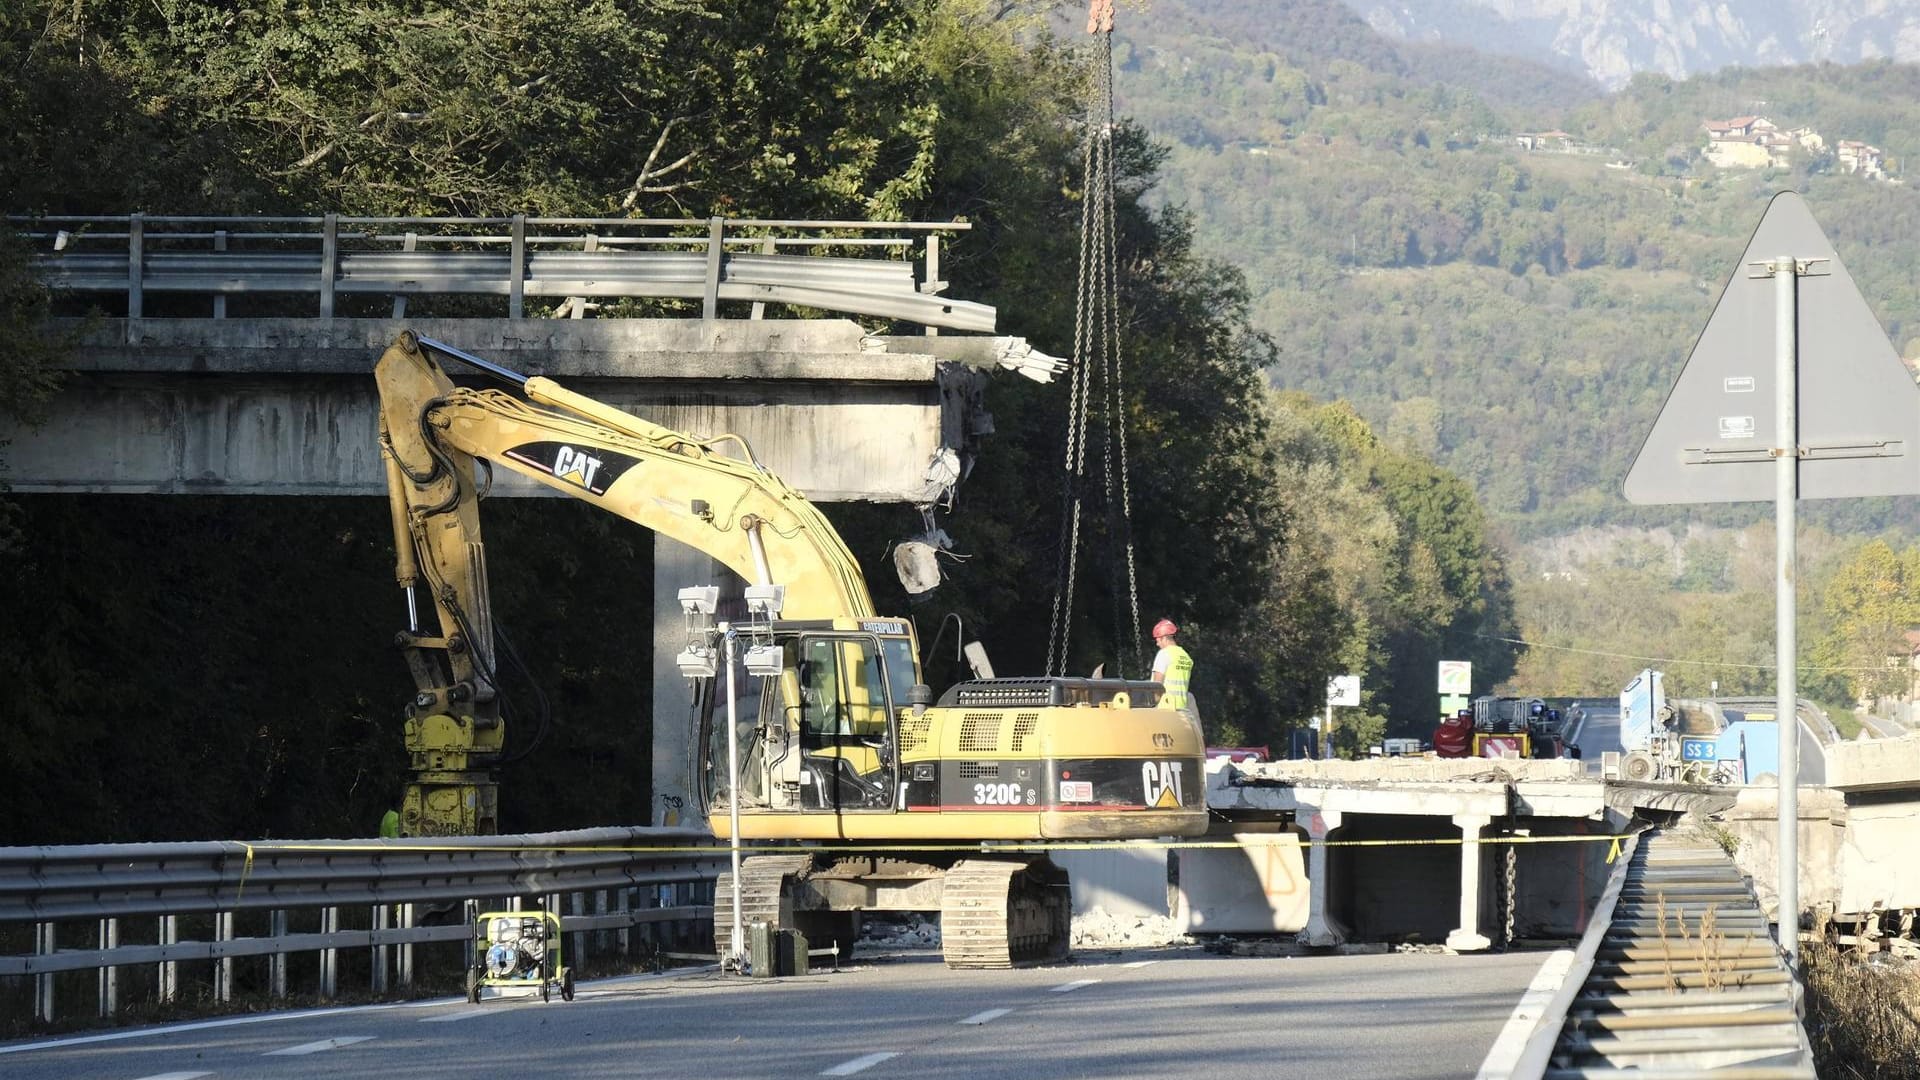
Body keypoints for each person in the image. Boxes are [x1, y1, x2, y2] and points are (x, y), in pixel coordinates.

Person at [1150, 618, 1195, 720]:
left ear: (1164, 638)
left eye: (1158, 640)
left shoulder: (1164, 654)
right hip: (1182, 710)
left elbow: (1157, 685)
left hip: (1165, 709)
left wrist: (1152, 706)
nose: (1157, 644)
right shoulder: (1185, 656)